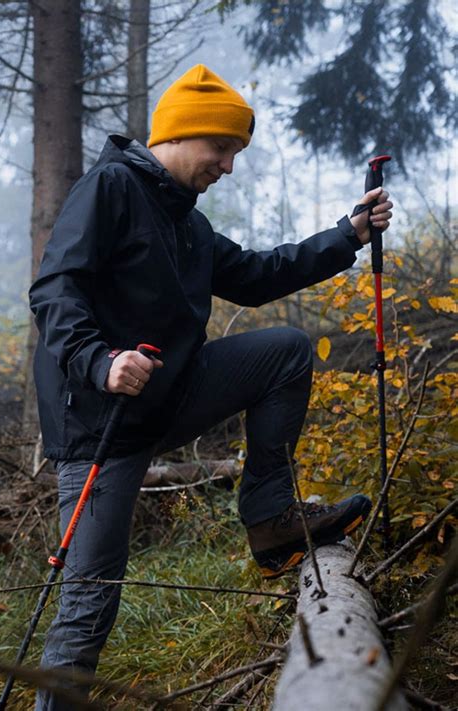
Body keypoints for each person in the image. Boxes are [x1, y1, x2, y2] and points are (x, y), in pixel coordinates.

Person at [29, 64, 393, 708]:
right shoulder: (110, 189)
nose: (227, 165)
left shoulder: (187, 224)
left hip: (168, 398)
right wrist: (99, 359)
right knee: (89, 603)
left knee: (284, 350)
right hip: (101, 426)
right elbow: (55, 288)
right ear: (181, 134)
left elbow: (255, 275)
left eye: (234, 153)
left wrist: (349, 235)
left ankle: (270, 521)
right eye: (221, 148)